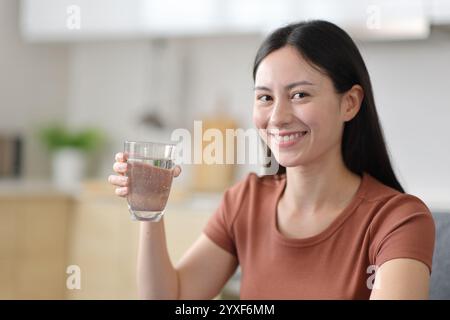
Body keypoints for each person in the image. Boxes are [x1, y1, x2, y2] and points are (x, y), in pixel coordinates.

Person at [108, 20, 435, 300]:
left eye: (300, 95)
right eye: (265, 97)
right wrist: (149, 209)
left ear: (349, 103)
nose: (277, 117)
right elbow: (175, 297)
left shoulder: (398, 220)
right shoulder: (245, 202)